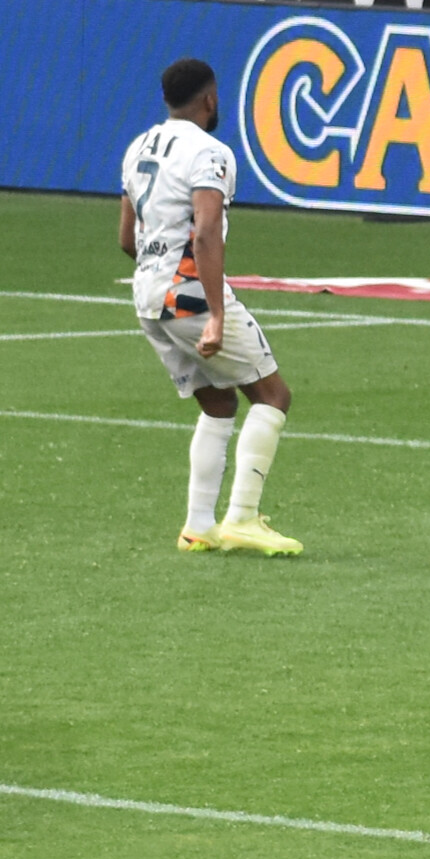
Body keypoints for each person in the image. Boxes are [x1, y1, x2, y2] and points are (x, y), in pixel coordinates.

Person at [120, 58, 301, 557]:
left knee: (218, 402)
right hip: (189, 292)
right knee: (272, 394)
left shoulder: (138, 147)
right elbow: (204, 232)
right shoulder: (210, 152)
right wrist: (217, 314)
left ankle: (199, 525)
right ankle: (243, 518)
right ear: (210, 99)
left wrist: (159, 272)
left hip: (147, 294)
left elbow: (126, 238)